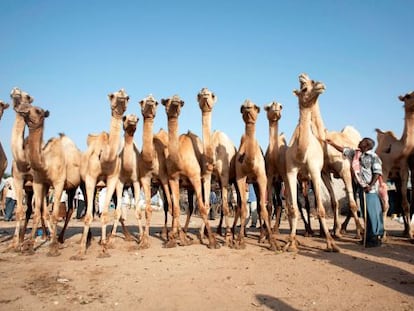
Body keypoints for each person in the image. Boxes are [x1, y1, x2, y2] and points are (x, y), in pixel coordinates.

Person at [326, 137, 384, 247]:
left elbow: (377, 173)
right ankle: (368, 237)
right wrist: (332, 143)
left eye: (362, 142)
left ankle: (375, 237)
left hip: (370, 191)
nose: (359, 142)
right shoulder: (356, 155)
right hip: (362, 190)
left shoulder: (374, 157)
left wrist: (370, 185)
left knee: (373, 214)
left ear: (366, 146)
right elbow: (343, 150)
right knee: (365, 215)